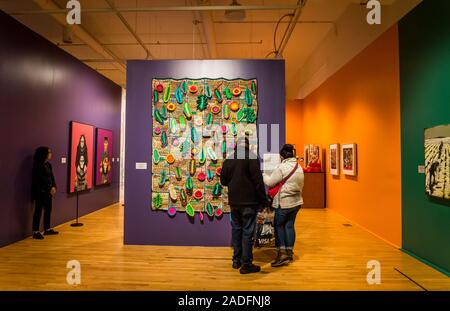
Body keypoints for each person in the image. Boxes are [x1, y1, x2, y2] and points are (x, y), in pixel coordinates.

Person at [220, 137, 269, 274]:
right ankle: (246, 264)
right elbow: (258, 182)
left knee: (237, 230)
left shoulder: (229, 159)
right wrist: (264, 201)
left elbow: (223, 181)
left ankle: (236, 260)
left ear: (237, 146)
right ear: (248, 146)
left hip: (234, 202)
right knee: (248, 232)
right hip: (249, 202)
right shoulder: (252, 158)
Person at [263, 144, 304, 267]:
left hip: (284, 203)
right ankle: (289, 252)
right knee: (290, 226)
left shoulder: (282, 167)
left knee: (279, 226)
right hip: (296, 202)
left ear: (282, 156)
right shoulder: (299, 167)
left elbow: (270, 182)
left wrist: (264, 174)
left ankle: (282, 254)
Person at [31, 147, 58, 240]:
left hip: (48, 192)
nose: (51, 154)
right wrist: (49, 188)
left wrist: (54, 186)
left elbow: (51, 177)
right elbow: (40, 179)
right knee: (38, 211)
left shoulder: (48, 164)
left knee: (48, 210)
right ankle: (36, 231)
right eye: (49, 152)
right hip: (40, 192)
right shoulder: (37, 165)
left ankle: (47, 229)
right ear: (44, 154)